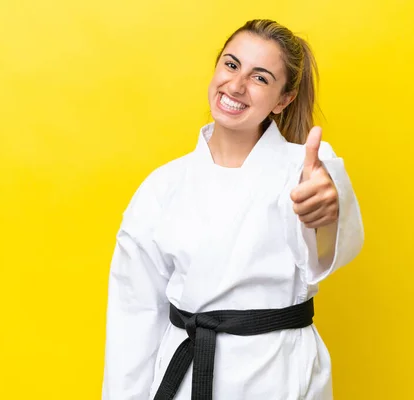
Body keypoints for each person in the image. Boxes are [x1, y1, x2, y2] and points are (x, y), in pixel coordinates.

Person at [102, 19, 364, 400]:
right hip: (183, 376)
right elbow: (134, 315)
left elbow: (326, 246)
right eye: (230, 64)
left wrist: (328, 209)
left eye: (260, 78)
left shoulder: (305, 169)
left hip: (277, 374)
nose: (236, 86)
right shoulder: (161, 187)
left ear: (282, 100)